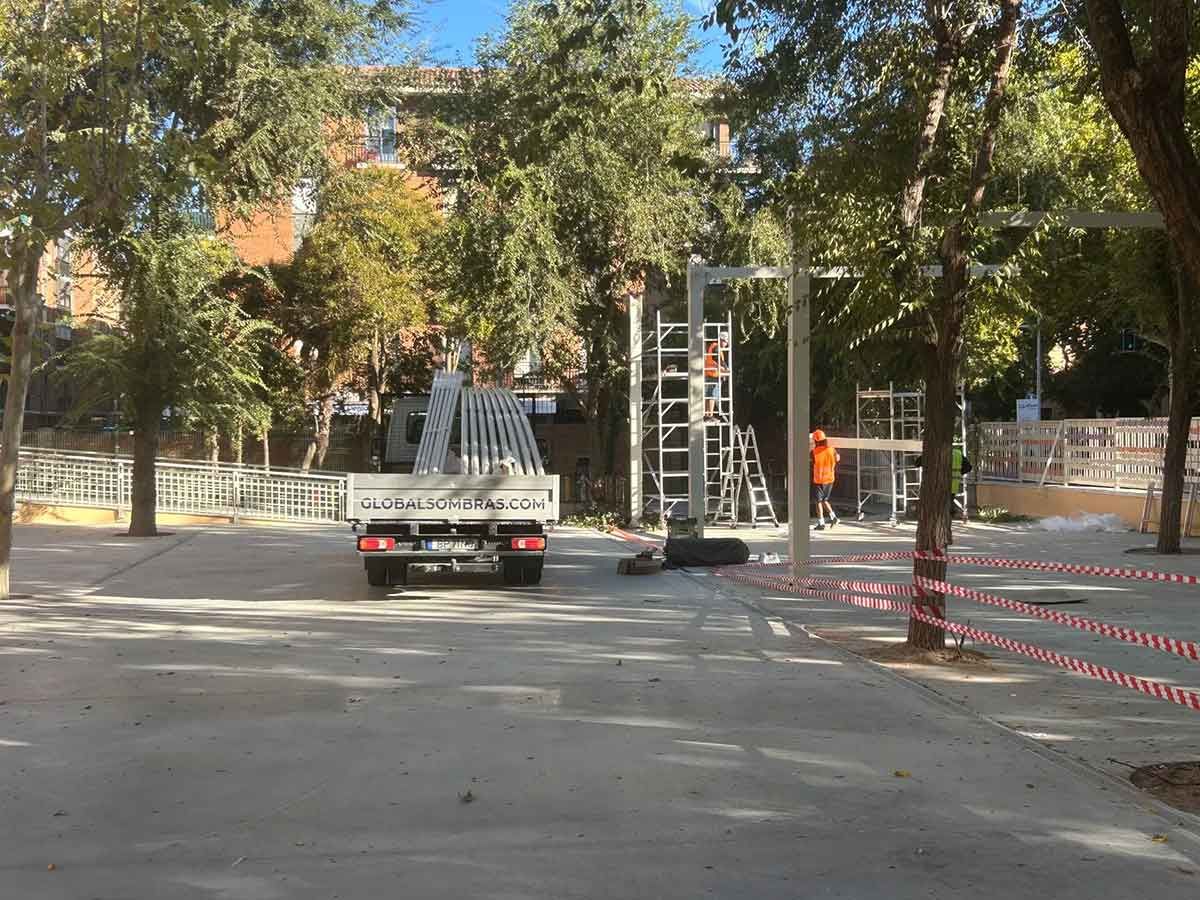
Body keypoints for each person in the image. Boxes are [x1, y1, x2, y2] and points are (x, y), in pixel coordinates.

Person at [810, 429, 840, 530]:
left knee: (818, 501)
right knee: (825, 500)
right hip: (830, 479)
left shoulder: (814, 452)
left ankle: (821, 523)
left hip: (819, 480)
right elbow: (838, 458)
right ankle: (834, 517)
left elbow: (811, 462)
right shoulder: (832, 449)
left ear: (815, 441)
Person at [704, 332, 730, 421]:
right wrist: (725, 369)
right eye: (726, 342)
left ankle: (707, 415)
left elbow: (718, 360)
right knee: (712, 396)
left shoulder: (714, 346)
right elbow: (717, 360)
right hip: (713, 374)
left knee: (709, 395)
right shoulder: (716, 347)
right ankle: (709, 415)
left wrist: (724, 369)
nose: (726, 344)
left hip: (711, 373)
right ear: (721, 340)